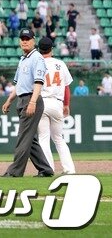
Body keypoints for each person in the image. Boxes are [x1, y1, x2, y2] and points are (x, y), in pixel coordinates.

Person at [0, 28, 53, 178]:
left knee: (23, 137)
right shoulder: (23, 59)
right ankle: (46, 169)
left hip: (31, 99)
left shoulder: (37, 58)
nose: (24, 41)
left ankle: (14, 172)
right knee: (31, 139)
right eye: (22, 38)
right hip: (22, 99)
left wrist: (33, 102)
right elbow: (18, 84)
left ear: (33, 41)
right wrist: (9, 100)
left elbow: (38, 82)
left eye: (27, 38)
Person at [37, 36, 76, 175]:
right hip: (57, 103)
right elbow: (66, 88)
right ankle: (69, 169)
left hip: (42, 103)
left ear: (38, 49)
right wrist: (66, 105)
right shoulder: (60, 64)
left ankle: (48, 169)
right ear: (51, 49)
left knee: (43, 138)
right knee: (59, 139)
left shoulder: (36, 63)